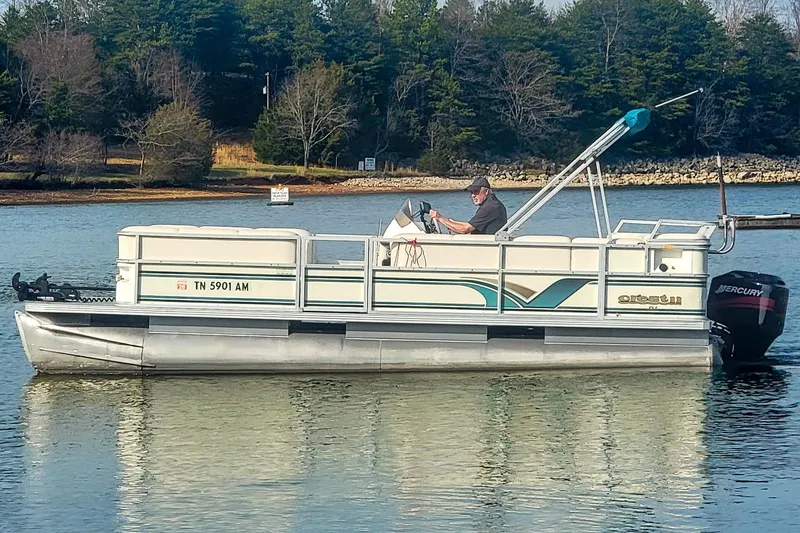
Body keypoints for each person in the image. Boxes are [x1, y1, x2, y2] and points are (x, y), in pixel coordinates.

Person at [429, 176, 507, 235]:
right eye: (471, 192)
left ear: (486, 192)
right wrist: (450, 222)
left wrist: (440, 218)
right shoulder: (492, 204)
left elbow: (465, 229)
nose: (473, 195)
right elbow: (471, 225)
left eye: (476, 191)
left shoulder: (490, 207)